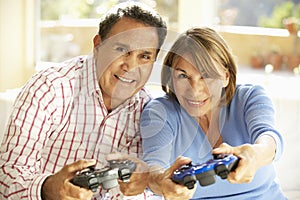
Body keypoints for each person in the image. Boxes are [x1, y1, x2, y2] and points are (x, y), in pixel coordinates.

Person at [0, 1, 167, 199]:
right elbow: (7, 176)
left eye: (144, 56)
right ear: (97, 45)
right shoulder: (50, 87)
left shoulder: (148, 110)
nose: (130, 66)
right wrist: (48, 189)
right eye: (122, 49)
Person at [140, 27, 287, 199]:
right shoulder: (159, 112)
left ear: (225, 76)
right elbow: (153, 168)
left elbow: (269, 139)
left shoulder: (249, 97)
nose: (194, 90)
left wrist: (255, 155)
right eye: (183, 76)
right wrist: (161, 182)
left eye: (206, 75)